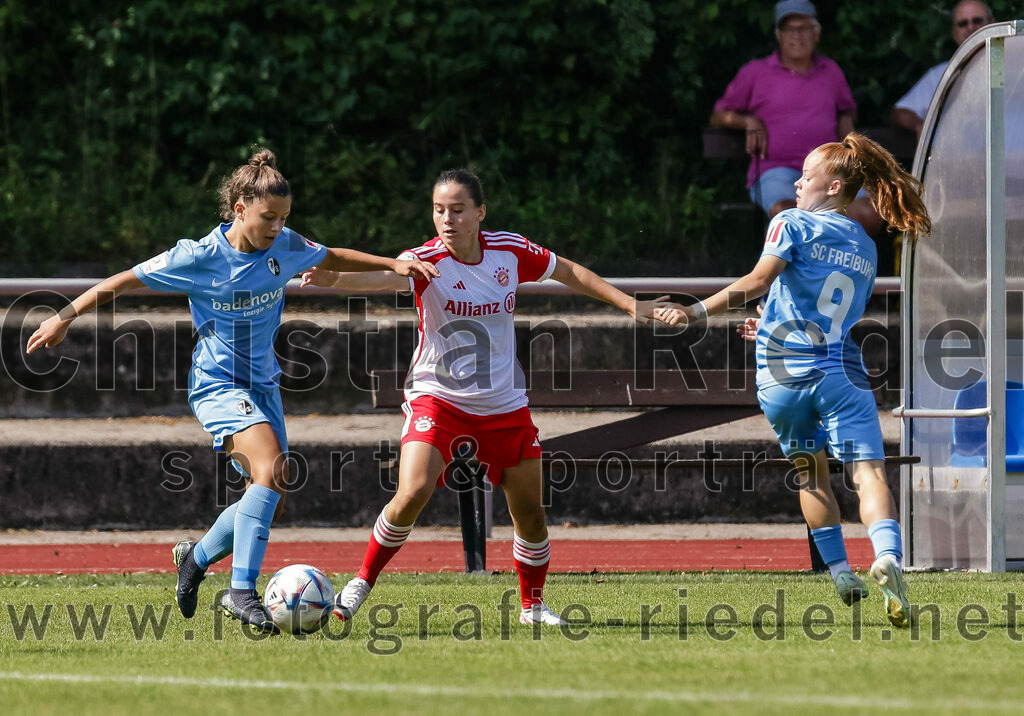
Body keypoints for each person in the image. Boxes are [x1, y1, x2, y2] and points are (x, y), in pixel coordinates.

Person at [25, 149, 440, 634]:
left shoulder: (283, 245)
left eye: (284, 218)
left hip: (264, 385)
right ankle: (242, 592)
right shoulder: (199, 256)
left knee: (274, 491)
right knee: (269, 470)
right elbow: (123, 281)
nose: (276, 227)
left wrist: (394, 264)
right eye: (268, 217)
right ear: (239, 209)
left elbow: (333, 255)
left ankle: (196, 559)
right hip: (217, 384)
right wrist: (63, 317)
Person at [301, 168, 668, 626]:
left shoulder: (510, 251)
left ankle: (532, 607)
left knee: (530, 514)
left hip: (503, 403)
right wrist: (332, 279)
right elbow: (380, 279)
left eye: (457, 210)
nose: (447, 219)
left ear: (480, 213)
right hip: (438, 397)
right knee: (412, 491)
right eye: (439, 210)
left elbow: (568, 271)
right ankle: (360, 583)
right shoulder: (424, 260)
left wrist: (631, 304)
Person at [654, 133, 931, 629]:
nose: (798, 181)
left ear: (835, 185)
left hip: (782, 373)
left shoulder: (790, 221)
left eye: (807, 175)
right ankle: (888, 556)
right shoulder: (865, 244)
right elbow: (835, 311)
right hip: (839, 371)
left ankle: (841, 571)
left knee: (811, 473)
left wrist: (696, 310)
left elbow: (759, 281)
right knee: (867, 473)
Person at [710, 0, 883, 240]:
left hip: (829, 170)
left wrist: (845, 118)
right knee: (789, 214)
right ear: (778, 35)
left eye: (804, 28)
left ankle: (838, 272)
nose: (797, 36)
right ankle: (799, 273)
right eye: (790, 29)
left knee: (870, 213)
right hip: (776, 171)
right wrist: (748, 121)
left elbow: (847, 109)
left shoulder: (830, 70)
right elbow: (718, 115)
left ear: (817, 33)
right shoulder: (755, 72)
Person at [892, 1, 995, 136]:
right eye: (962, 23)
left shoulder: (1014, 67)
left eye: (977, 20)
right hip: (953, 156)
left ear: (992, 24)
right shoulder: (941, 74)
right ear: (954, 32)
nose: (970, 27)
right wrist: (920, 125)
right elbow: (901, 111)